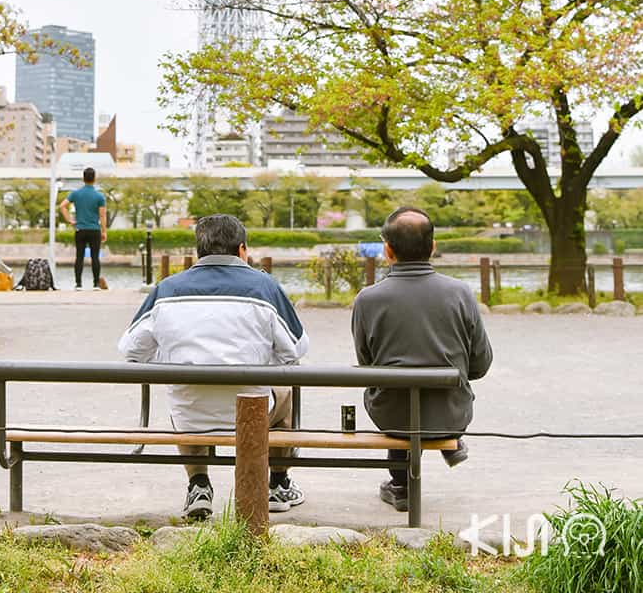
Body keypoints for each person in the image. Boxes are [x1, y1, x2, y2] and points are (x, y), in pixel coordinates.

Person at [118, 213, 309, 522]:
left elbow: (131, 351)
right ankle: (277, 484)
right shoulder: (265, 286)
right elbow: (296, 351)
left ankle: (198, 485)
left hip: (191, 413)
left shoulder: (166, 289)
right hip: (253, 411)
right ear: (242, 249)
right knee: (284, 391)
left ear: (199, 250)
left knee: (184, 397)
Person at [350, 206, 493, 513]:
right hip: (451, 411)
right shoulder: (460, 293)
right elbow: (481, 363)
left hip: (392, 414)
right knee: (434, 391)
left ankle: (400, 484)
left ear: (387, 250)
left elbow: (366, 367)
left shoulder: (368, 299)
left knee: (390, 391)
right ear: (433, 247)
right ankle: (450, 438)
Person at [59, 167, 107, 290]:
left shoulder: (76, 193)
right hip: (94, 229)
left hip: (80, 229)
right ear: (94, 178)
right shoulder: (99, 196)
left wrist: (70, 220)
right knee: (95, 257)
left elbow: (62, 206)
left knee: (79, 257)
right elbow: (102, 215)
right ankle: (96, 284)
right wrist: (104, 231)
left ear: (83, 178)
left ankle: (78, 284)